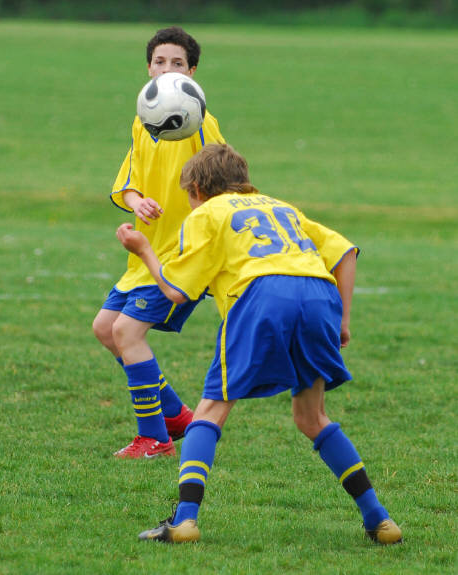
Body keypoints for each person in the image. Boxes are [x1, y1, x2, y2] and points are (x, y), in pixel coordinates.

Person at [116, 143, 403, 545]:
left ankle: (185, 521)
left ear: (197, 189)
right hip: (319, 297)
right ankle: (379, 519)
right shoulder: (283, 208)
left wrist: (144, 250)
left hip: (262, 295)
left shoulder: (207, 213)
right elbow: (345, 253)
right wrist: (342, 321)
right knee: (312, 418)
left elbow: (177, 291)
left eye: (189, 196)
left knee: (210, 412)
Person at [92, 26, 225, 459]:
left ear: (192, 73)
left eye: (178, 63)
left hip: (182, 255)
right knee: (106, 329)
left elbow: (225, 182)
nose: (167, 69)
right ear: (149, 68)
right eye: (160, 61)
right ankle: (177, 417)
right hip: (145, 252)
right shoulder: (144, 118)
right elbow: (129, 181)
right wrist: (139, 202)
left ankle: (155, 438)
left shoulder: (199, 122)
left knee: (127, 331)